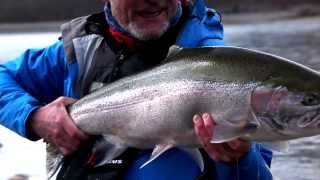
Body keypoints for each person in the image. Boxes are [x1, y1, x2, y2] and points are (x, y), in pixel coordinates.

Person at [0, 0, 273, 179]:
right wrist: (34, 117)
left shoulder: (226, 72)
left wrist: (239, 159)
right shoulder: (78, 52)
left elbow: (259, 175)